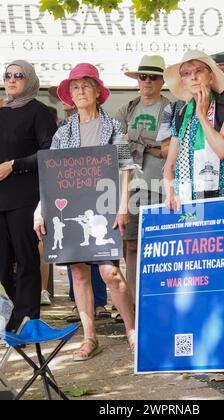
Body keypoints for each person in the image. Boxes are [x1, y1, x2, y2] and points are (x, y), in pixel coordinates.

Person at [34, 63, 135, 360]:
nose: (80, 91)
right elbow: (50, 175)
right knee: (78, 274)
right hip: (71, 209)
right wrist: (41, 208)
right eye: (75, 87)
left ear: (97, 92)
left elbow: (126, 167)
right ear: (70, 94)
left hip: (104, 208)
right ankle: (90, 337)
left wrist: (123, 205)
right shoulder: (63, 131)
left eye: (85, 86)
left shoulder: (113, 127)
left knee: (111, 273)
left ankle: (131, 331)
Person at [163, 50, 224, 358]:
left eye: (197, 71)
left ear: (211, 76)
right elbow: (169, 164)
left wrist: (203, 115)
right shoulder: (179, 112)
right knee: (195, 269)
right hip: (189, 202)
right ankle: (205, 344)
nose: (192, 77)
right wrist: (169, 188)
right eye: (185, 73)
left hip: (221, 198)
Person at [0, 60, 57, 328]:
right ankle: (14, 317)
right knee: (2, 266)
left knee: (25, 260)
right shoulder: (1, 112)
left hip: (25, 197)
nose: (11, 80)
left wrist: (14, 165)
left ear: (30, 79)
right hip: (0, 199)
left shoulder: (40, 112)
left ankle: (26, 321)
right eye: (7, 75)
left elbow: (49, 154)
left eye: (18, 75)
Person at [115, 55, 170, 305]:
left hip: (161, 186)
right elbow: (116, 147)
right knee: (132, 248)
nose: (146, 81)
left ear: (162, 80)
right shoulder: (127, 108)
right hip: (130, 187)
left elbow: (170, 150)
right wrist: (152, 146)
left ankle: (158, 299)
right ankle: (137, 304)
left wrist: (137, 144)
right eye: (142, 76)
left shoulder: (171, 108)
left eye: (152, 77)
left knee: (161, 248)